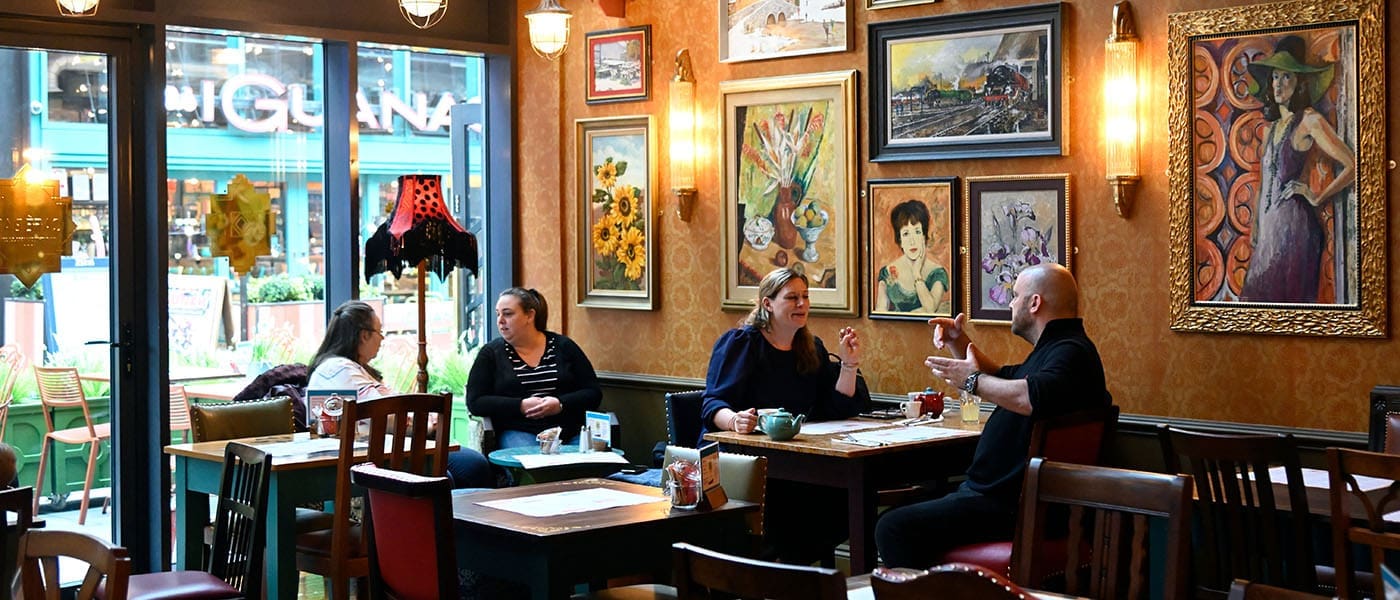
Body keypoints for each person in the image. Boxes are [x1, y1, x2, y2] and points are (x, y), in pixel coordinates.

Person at [874, 263, 1111, 568]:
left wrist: (971, 382)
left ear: (1035, 302)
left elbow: (1027, 397)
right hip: (1001, 498)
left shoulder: (1072, 354)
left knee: (893, 528)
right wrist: (958, 342)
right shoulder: (1058, 348)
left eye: (1015, 296)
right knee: (908, 507)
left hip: (1010, 507)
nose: (1011, 303)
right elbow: (1001, 376)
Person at [702, 267, 871, 564]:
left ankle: (796, 574)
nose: (802, 304)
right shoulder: (742, 343)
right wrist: (735, 420)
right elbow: (713, 403)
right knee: (796, 504)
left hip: (799, 460)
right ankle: (783, 575)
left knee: (848, 501)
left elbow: (836, 407)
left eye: (805, 297)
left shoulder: (810, 346)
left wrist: (849, 364)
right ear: (767, 303)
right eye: (792, 297)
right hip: (746, 460)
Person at [308, 300, 493, 489]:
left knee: (470, 465)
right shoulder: (339, 370)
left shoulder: (348, 368)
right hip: (376, 459)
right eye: (380, 333)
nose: (382, 339)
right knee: (469, 468)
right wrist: (426, 425)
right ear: (364, 335)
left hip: (389, 450)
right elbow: (385, 414)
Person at [1240, 35, 1355, 303]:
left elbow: (1352, 165)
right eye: (1274, 77)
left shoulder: (1310, 121)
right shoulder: (1270, 129)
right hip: (1270, 230)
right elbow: (1264, 183)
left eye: (1286, 77)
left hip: (1296, 230)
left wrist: (1316, 195)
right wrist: (1257, 227)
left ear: (1299, 82)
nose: (1278, 84)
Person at [466, 288, 603, 449]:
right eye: (498, 314)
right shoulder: (491, 353)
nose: (500, 320)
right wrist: (520, 406)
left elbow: (593, 393)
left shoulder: (564, 346)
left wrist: (560, 404)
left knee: (589, 465)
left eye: (508, 314)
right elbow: (475, 402)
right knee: (533, 465)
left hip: (569, 431)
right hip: (519, 431)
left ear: (529, 316)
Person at [875, 199, 949, 314]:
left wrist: (916, 274)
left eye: (917, 232)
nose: (912, 241)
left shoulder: (937, 273)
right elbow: (880, 312)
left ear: (924, 236)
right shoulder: (887, 273)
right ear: (899, 239)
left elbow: (930, 309)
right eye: (906, 234)